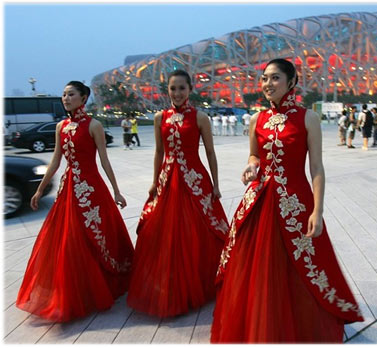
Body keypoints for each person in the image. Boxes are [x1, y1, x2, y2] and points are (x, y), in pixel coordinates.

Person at [211, 59, 364, 343]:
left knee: (302, 265)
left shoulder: (308, 118)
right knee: (257, 266)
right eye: (265, 78)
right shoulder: (257, 119)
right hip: (259, 201)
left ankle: (301, 323)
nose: (268, 84)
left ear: (292, 82)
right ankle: (261, 323)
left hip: (296, 202)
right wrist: (252, 166)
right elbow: (254, 155)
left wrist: (317, 210)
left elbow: (316, 168)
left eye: (275, 78)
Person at [16, 81, 134, 322]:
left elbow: (104, 161)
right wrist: (39, 190)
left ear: (84, 98)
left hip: (92, 190)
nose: (66, 98)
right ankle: (75, 288)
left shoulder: (94, 126)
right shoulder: (61, 126)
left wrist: (117, 191)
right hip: (68, 189)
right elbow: (55, 161)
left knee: (96, 236)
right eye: (63, 95)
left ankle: (101, 285)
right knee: (69, 239)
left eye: (71, 94)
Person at [127, 70, 228, 318]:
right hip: (167, 180)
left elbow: (211, 153)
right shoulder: (160, 117)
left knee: (197, 231)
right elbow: (159, 153)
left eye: (182, 88)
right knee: (164, 232)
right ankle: (167, 284)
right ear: (168, 91)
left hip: (194, 180)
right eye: (173, 88)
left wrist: (215, 184)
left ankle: (202, 281)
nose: (177, 93)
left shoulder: (201, 117)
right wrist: (154, 182)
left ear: (190, 89)